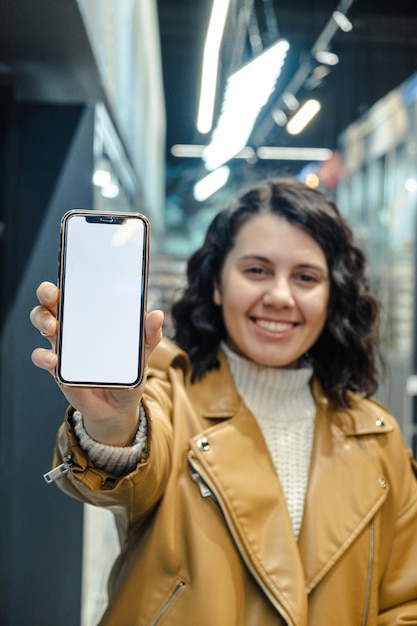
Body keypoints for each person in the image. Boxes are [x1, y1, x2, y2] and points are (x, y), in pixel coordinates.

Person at [30, 177, 417, 626]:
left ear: (332, 295)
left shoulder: (378, 438)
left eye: (306, 277)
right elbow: (133, 461)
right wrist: (111, 422)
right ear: (216, 283)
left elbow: (404, 604)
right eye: (256, 270)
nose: (279, 296)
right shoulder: (168, 395)